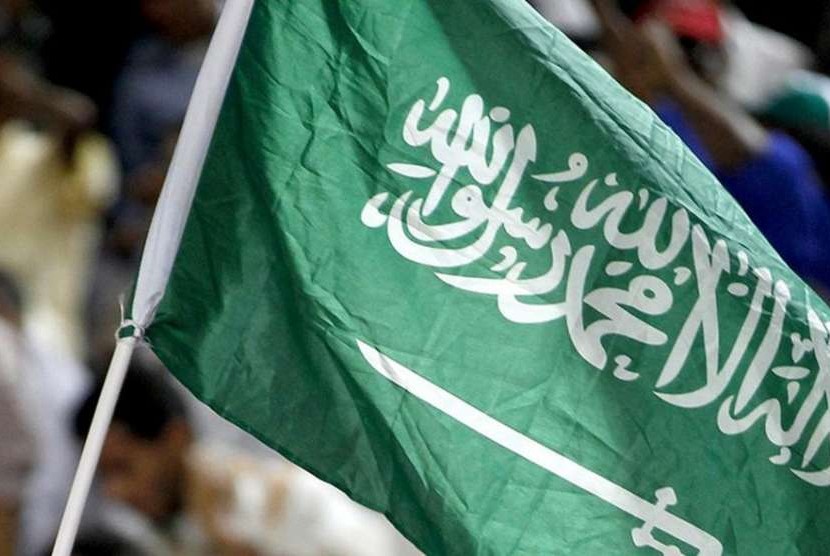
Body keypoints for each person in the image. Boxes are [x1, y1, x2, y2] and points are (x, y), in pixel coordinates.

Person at [590, 0, 830, 293]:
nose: (692, 60)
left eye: (697, 49)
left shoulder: (774, 153)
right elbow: (633, 80)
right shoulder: (660, 120)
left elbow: (765, 163)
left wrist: (676, 79)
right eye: (679, 47)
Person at [74, 365, 420, 555]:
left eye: (124, 467)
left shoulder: (288, 498)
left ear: (175, 438)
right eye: (104, 476)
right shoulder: (166, 537)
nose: (115, 491)